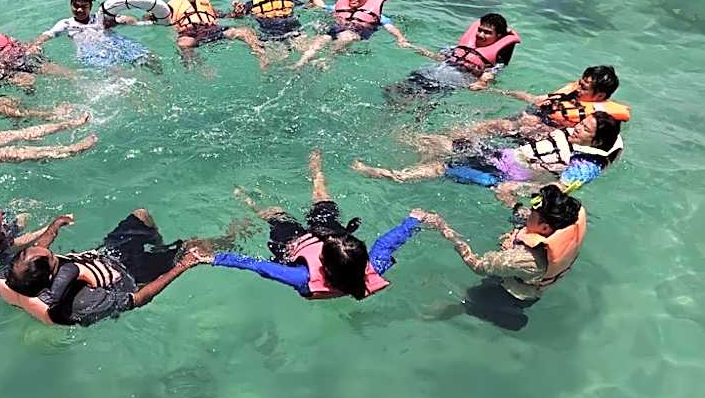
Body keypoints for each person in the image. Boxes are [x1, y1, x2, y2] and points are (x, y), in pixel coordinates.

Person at [189, 150, 420, 300]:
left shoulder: (303, 277)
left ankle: (246, 199)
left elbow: (259, 266)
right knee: (321, 203)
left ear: (324, 267)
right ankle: (316, 172)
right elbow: (387, 244)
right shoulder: (373, 268)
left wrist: (215, 258)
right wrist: (412, 221)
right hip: (329, 235)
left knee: (277, 213)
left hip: (295, 244)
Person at [412, 185, 587, 331]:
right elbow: (529, 219)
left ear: (545, 228)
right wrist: (510, 201)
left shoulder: (524, 259)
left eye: (533, 214)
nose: (529, 214)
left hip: (509, 294)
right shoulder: (564, 225)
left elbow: (478, 266)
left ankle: (457, 311)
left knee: (470, 301)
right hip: (528, 281)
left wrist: (443, 228)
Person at [352, 112, 623, 206]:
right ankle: (391, 135)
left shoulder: (584, 166)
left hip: (502, 174)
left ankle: (391, 175)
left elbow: (558, 190)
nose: (577, 128)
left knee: (441, 167)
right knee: (438, 142)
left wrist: (515, 190)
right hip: (501, 154)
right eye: (581, 123)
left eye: (584, 129)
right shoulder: (575, 135)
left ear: (596, 141)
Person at [0, 208, 204, 326]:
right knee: (194, 247)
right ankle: (233, 233)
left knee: (141, 215)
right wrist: (183, 266)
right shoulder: (82, 300)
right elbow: (140, 298)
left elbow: (38, 249)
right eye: (52, 257)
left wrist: (55, 225)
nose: (45, 248)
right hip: (130, 275)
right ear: (51, 276)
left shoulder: (19, 272)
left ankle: (159, 246)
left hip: (106, 256)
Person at [450, 65, 631, 141]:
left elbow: (573, 135)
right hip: (532, 117)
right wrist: (500, 92)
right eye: (581, 82)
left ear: (599, 96)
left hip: (540, 130)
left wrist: (542, 128)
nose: (579, 87)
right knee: (484, 126)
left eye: (584, 87)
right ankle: (449, 136)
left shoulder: (599, 116)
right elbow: (538, 99)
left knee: (497, 126)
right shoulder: (572, 93)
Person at [384, 14, 521, 99]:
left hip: (442, 85)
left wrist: (481, 83)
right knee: (390, 91)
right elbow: (440, 58)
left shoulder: (495, 62)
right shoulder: (460, 47)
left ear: (498, 36)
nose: (480, 35)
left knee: (405, 105)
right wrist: (414, 48)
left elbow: (488, 76)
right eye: (480, 30)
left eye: (487, 32)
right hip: (426, 74)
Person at [292, 0, 408, 70]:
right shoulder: (340, 8)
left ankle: (328, 59)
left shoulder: (376, 16)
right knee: (322, 39)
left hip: (357, 35)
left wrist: (400, 39)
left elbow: (390, 27)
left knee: (346, 36)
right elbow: (320, 5)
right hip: (336, 31)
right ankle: (300, 63)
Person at [39, 0, 158, 68]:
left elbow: (126, 20)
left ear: (90, 6)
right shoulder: (66, 24)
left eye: (84, 6)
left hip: (116, 45)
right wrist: (35, 45)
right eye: (75, 6)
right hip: (91, 53)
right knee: (120, 74)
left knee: (150, 58)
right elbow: (48, 34)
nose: (79, 10)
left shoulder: (101, 18)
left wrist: (142, 21)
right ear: (71, 5)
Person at [165, 0, 268, 67]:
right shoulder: (171, 6)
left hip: (212, 29)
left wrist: (236, 13)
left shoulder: (203, 1)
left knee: (244, 32)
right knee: (184, 43)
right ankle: (201, 68)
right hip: (190, 33)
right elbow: (155, 16)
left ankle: (263, 57)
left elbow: (224, 15)